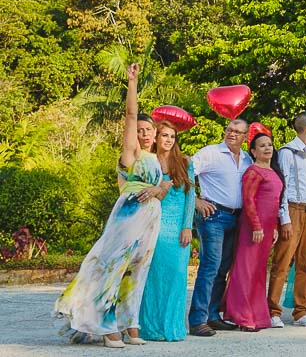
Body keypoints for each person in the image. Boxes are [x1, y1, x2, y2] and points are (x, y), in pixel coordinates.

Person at [56, 63, 168, 348]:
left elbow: (166, 189)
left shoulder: (157, 160)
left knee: (139, 270)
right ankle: (107, 328)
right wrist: (133, 82)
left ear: (155, 134)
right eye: (140, 130)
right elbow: (131, 115)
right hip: (128, 217)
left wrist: (161, 187)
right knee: (113, 268)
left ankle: (130, 324)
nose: (144, 133)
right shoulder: (132, 154)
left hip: (152, 217)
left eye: (148, 130)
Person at [188, 116, 252, 336]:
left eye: (237, 131)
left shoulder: (247, 160)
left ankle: (213, 316)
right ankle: (197, 320)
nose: (231, 134)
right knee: (210, 267)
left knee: (222, 269)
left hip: (236, 218)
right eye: (229, 129)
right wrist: (196, 201)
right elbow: (185, 174)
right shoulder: (210, 153)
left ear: (245, 136)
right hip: (213, 215)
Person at [139, 120, 196, 341]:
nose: (168, 140)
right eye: (164, 135)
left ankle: (172, 327)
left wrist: (187, 226)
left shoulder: (184, 162)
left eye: (172, 136)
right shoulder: (148, 162)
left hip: (178, 229)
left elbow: (190, 197)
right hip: (154, 225)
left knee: (178, 276)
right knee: (153, 277)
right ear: (156, 137)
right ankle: (151, 327)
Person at [224, 130, 284, 332]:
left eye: (269, 144)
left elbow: (275, 203)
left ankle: (257, 314)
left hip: (268, 227)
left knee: (258, 271)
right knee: (245, 269)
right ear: (253, 151)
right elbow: (248, 200)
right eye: (262, 146)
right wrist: (257, 226)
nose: (268, 148)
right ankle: (241, 315)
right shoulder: (253, 171)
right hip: (253, 226)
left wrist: (274, 227)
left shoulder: (274, 172)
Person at [268, 112, 306, 327]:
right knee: (282, 262)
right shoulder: (286, 152)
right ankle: (273, 311)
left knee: (305, 264)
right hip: (292, 209)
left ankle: (301, 312)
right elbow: (282, 187)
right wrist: (285, 219)